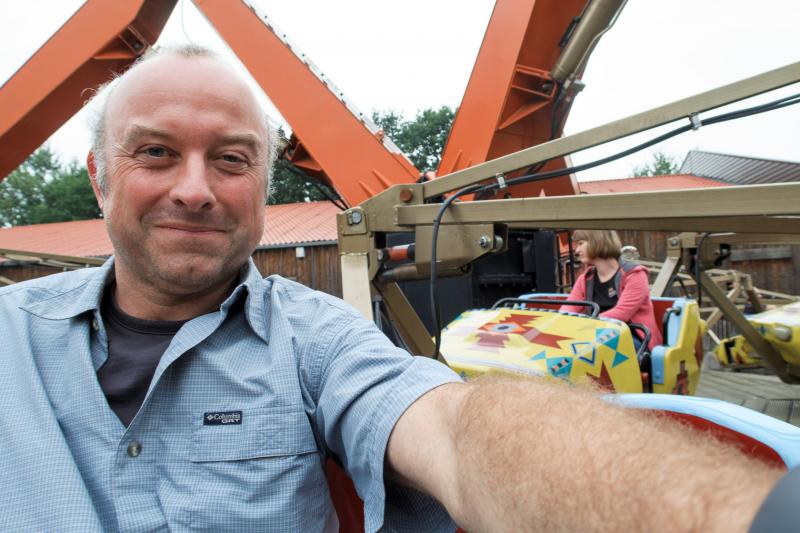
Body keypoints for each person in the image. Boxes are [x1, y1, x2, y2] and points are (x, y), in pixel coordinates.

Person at [0, 45, 785, 532]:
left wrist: (737, 514)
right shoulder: (10, 335)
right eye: (156, 152)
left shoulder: (312, 340)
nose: (196, 189)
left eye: (232, 159)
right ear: (99, 177)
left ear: (263, 187)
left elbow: (454, 430)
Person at [561, 229, 663, 351]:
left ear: (597, 241)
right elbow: (568, 308)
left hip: (634, 337)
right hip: (595, 334)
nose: (577, 251)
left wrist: (585, 325)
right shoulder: (586, 278)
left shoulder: (634, 274)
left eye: (581, 243)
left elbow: (622, 313)